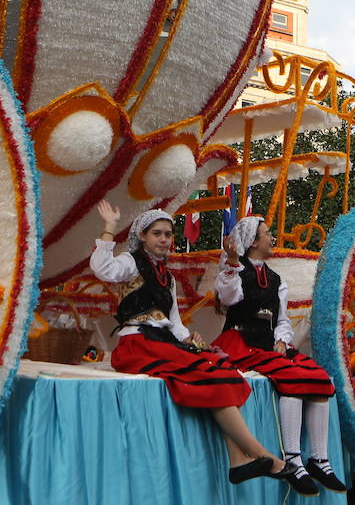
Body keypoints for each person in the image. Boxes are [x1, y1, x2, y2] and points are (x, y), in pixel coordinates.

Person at [91, 202, 298, 487]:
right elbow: (103, 269)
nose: (164, 239)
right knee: (209, 373)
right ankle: (264, 456)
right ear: (142, 236)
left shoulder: (169, 279)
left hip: (161, 343)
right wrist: (109, 227)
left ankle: (238, 461)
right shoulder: (130, 262)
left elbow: (174, 323)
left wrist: (190, 339)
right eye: (157, 234)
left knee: (222, 368)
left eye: (168, 234)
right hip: (136, 344)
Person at [213, 216, 344, 495]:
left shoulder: (275, 279)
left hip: (269, 343)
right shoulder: (234, 270)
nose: (272, 238)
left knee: (320, 378)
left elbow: (282, 320)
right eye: (267, 233)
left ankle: (320, 459)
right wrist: (233, 262)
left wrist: (283, 340)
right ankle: (293, 459)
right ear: (252, 243)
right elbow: (227, 298)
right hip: (241, 340)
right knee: (293, 378)